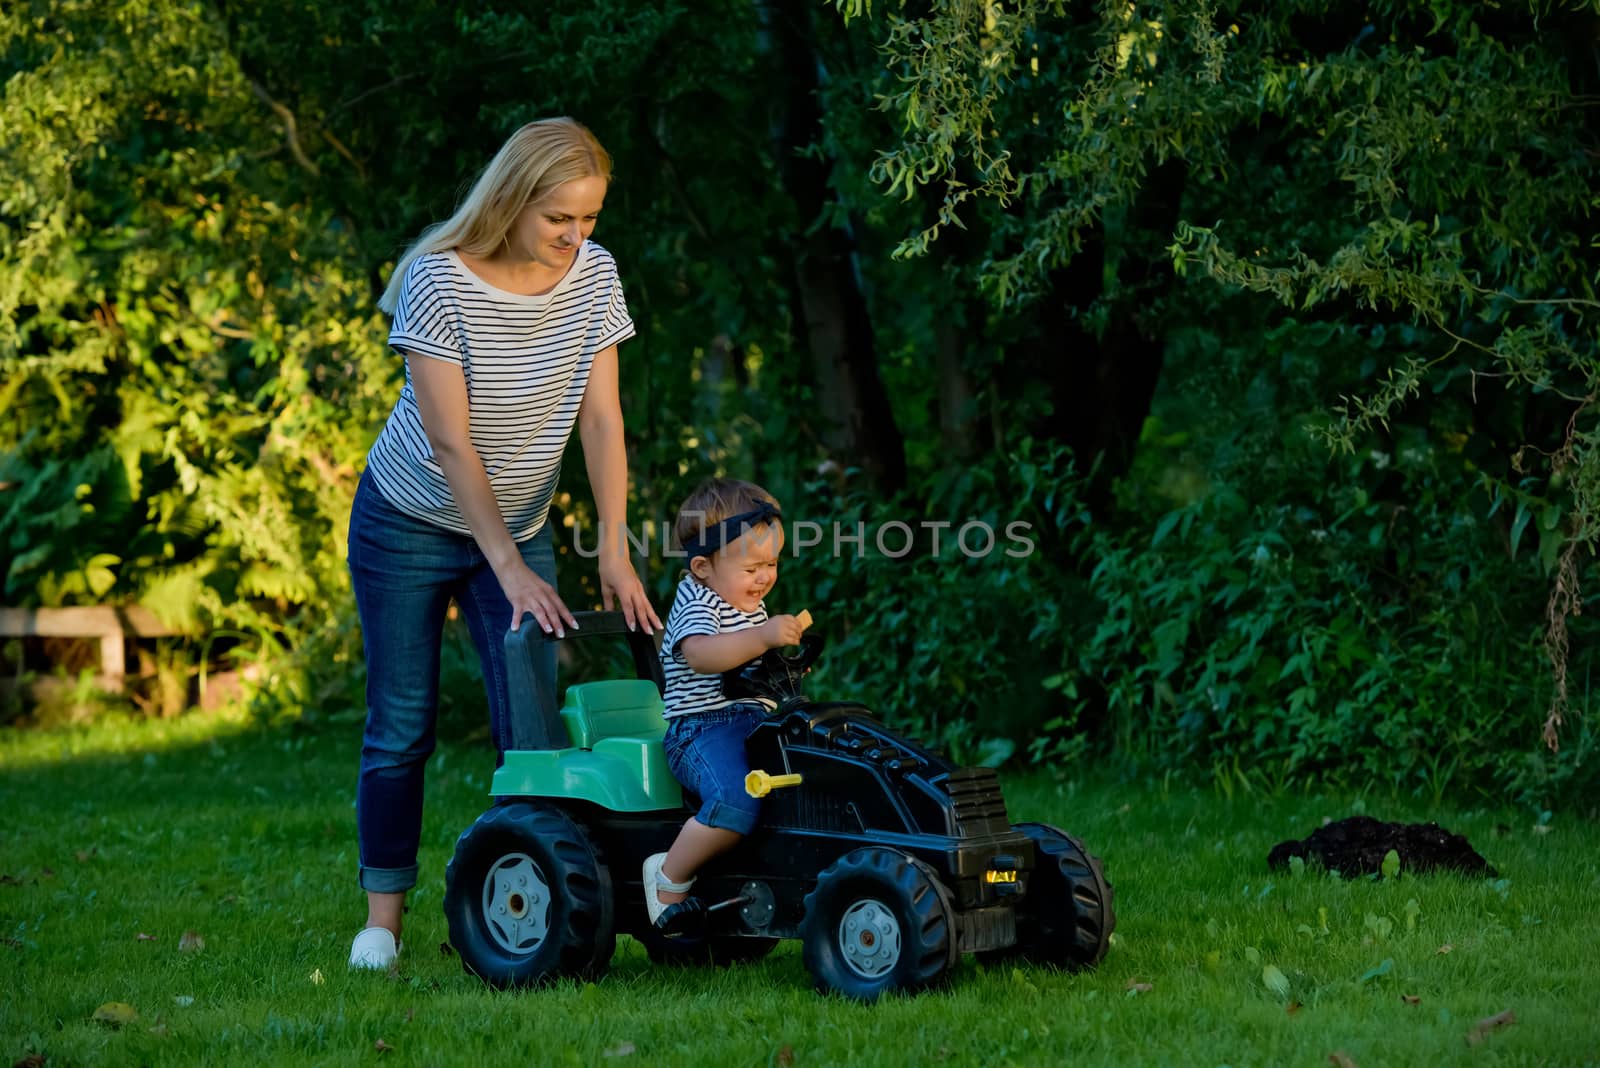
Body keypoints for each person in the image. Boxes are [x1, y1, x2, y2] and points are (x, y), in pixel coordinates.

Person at [346, 117, 661, 970]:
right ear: (515, 199)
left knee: (531, 731)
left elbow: (601, 418)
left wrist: (612, 546)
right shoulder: (436, 281)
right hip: (408, 522)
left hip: (518, 526)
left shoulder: (595, 278)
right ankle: (383, 923)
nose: (576, 236)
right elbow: (451, 442)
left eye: (590, 218)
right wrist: (510, 568)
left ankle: (534, 908)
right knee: (401, 724)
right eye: (560, 216)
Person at [642, 478, 809, 931]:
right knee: (736, 798)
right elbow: (702, 654)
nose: (765, 577)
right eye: (752, 567)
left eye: (771, 563)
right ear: (702, 566)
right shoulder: (698, 601)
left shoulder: (744, 599)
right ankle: (668, 877)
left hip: (750, 722)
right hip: (699, 729)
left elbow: (748, 666)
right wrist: (762, 636)